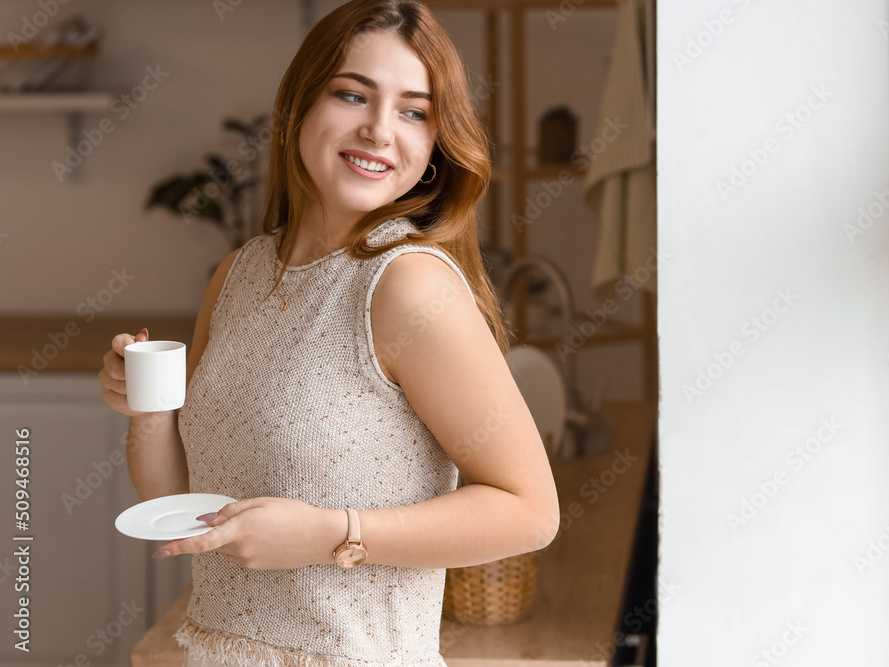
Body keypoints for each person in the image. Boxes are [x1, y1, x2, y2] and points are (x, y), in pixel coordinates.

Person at [97, 1, 560, 665]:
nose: (378, 130)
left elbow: (530, 510)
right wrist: (145, 413)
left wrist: (331, 534)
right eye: (353, 95)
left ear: (433, 145)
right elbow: (182, 499)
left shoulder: (408, 286)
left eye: (414, 111)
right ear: (301, 106)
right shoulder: (239, 273)